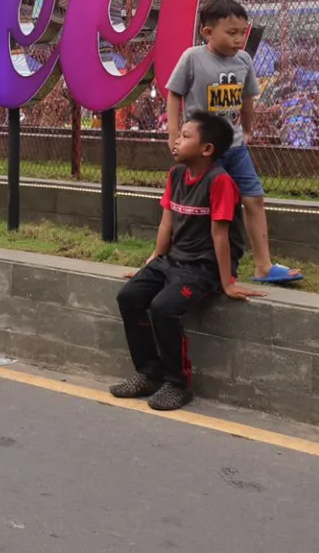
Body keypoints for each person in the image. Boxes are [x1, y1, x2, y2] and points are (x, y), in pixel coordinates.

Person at [113, 113, 264, 411]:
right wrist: (154, 260)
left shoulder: (220, 182)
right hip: (174, 260)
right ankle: (149, 373)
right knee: (129, 296)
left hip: (204, 268)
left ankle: (177, 384)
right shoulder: (176, 175)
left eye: (184, 136)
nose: (176, 142)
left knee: (163, 308)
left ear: (206, 149)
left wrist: (226, 283)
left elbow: (220, 235)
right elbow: (167, 223)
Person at [165, 0, 302, 285]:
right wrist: (174, 134)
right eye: (231, 33)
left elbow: (247, 98)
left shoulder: (244, 61)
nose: (239, 39)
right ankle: (178, 258)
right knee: (200, 208)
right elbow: (174, 93)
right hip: (205, 152)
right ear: (207, 32)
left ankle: (263, 266)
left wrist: (248, 129)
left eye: (243, 32)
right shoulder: (192, 58)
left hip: (236, 147)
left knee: (253, 198)